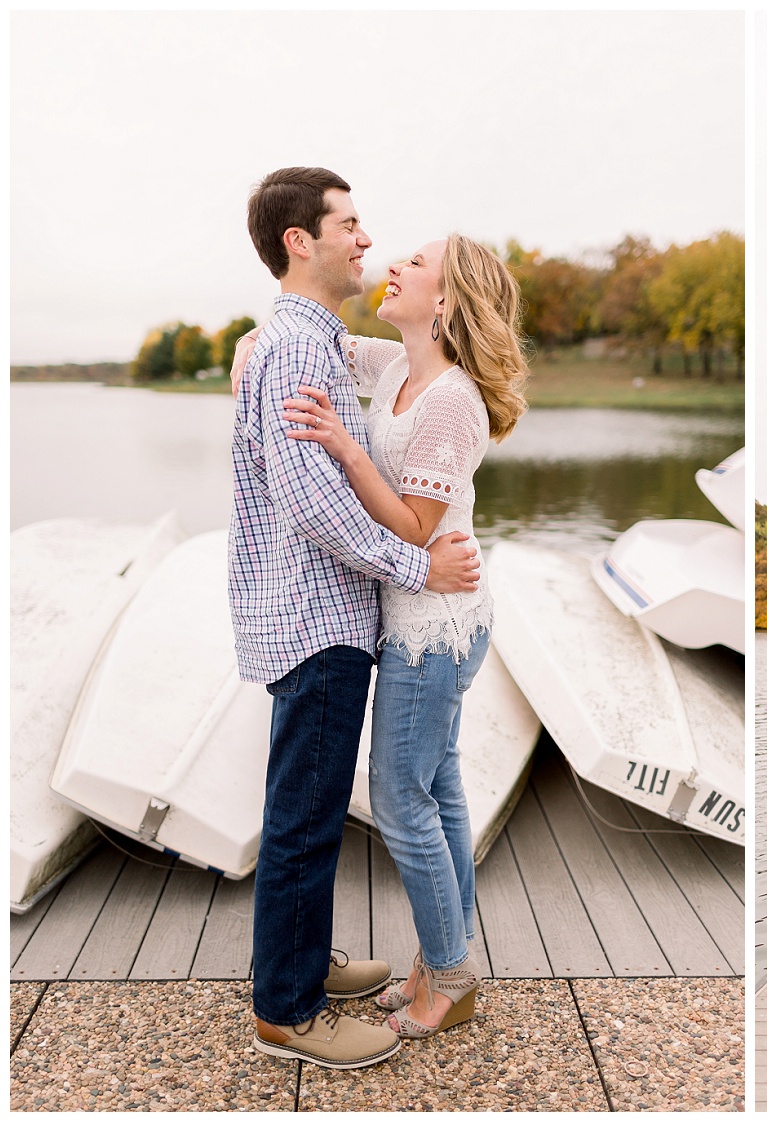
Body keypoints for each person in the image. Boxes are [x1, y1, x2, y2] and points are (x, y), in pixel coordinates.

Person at [235, 233, 529, 1040]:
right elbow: (308, 338)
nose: (392, 263)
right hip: (418, 614)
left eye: (415, 265)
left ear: (444, 302)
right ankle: (441, 961)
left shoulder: (452, 401)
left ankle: (452, 978)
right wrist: (248, 344)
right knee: (442, 789)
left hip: (432, 626)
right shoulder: (399, 366)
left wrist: (341, 444)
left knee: (401, 799)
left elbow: (412, 525)